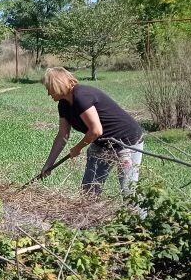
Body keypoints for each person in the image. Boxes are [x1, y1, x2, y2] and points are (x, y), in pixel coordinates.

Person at [39, 67, 144, 196]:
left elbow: (96, 130)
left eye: (48, 88)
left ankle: (140, 215)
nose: (48, 93)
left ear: (57, 85)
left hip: (126, 142)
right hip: (102, 144)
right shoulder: (63, 105)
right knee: (89, 193)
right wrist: (49, 164)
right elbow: (62, 135)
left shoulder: (81, 96)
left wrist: (77, 148)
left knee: (129, 192)